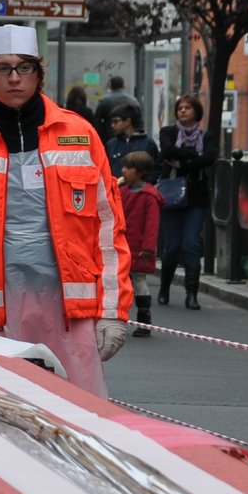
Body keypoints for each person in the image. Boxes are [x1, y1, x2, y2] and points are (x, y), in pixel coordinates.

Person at [0, 25, 133, 397]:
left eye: (24, 67)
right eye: (3, 68)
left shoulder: (80, 135)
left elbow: (108, 231)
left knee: (77, 421)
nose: (14, 78)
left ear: (39, 74)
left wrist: (113, 310)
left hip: (70, 316)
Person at [157, 94, 218, 309]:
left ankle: (192, 294)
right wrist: (193, 158)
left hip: (196, 198)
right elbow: (167, 151)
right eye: (180, 108)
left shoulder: (206, 137)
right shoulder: (168, 132)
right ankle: (164, 288)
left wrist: (182, 162)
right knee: (172, 246)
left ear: (196, 112)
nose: (183, 111)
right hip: (171, 195)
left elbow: (210, 157)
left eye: (188, 108)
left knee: (191, 244)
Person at [118, 150, 162, 337]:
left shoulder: (149, 196)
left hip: (139, 246)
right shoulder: (122, 191)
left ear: (140, 172)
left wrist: (148, 247)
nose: (124, 171)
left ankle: (144, 320)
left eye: (129, 168)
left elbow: (152, 224)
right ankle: (121, 318)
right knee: (121, 280)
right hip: (124, 243)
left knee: (139, 280)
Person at [103, 105, 159, 178]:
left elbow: (157, 167)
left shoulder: (147, 143)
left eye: (116, 121)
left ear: (127, 121)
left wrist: (147, 183)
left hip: (141, 188)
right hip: (116, 186)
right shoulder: (111, 144)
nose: (112, 125)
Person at [91, 75, 139, 141]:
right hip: (129, 138)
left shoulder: (104, 101)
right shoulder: (133, 101)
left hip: (109, 136)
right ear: (123, 86)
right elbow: (139, 120)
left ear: (111, 87)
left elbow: (97, 121)